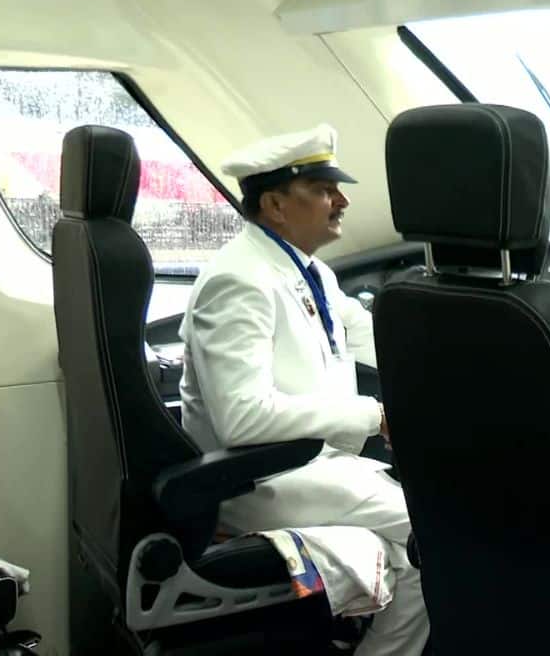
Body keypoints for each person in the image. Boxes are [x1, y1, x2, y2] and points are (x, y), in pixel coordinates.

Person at [178, 124, 428, 656]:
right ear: (274, 203)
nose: (341, 201)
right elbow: (241, 419)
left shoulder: (307, 270)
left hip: (308, 467)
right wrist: (369, 414)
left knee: (424, 539)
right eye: (322, 190)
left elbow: (379, 343)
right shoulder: (239, 281)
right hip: (256, 480)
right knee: (439, 539)